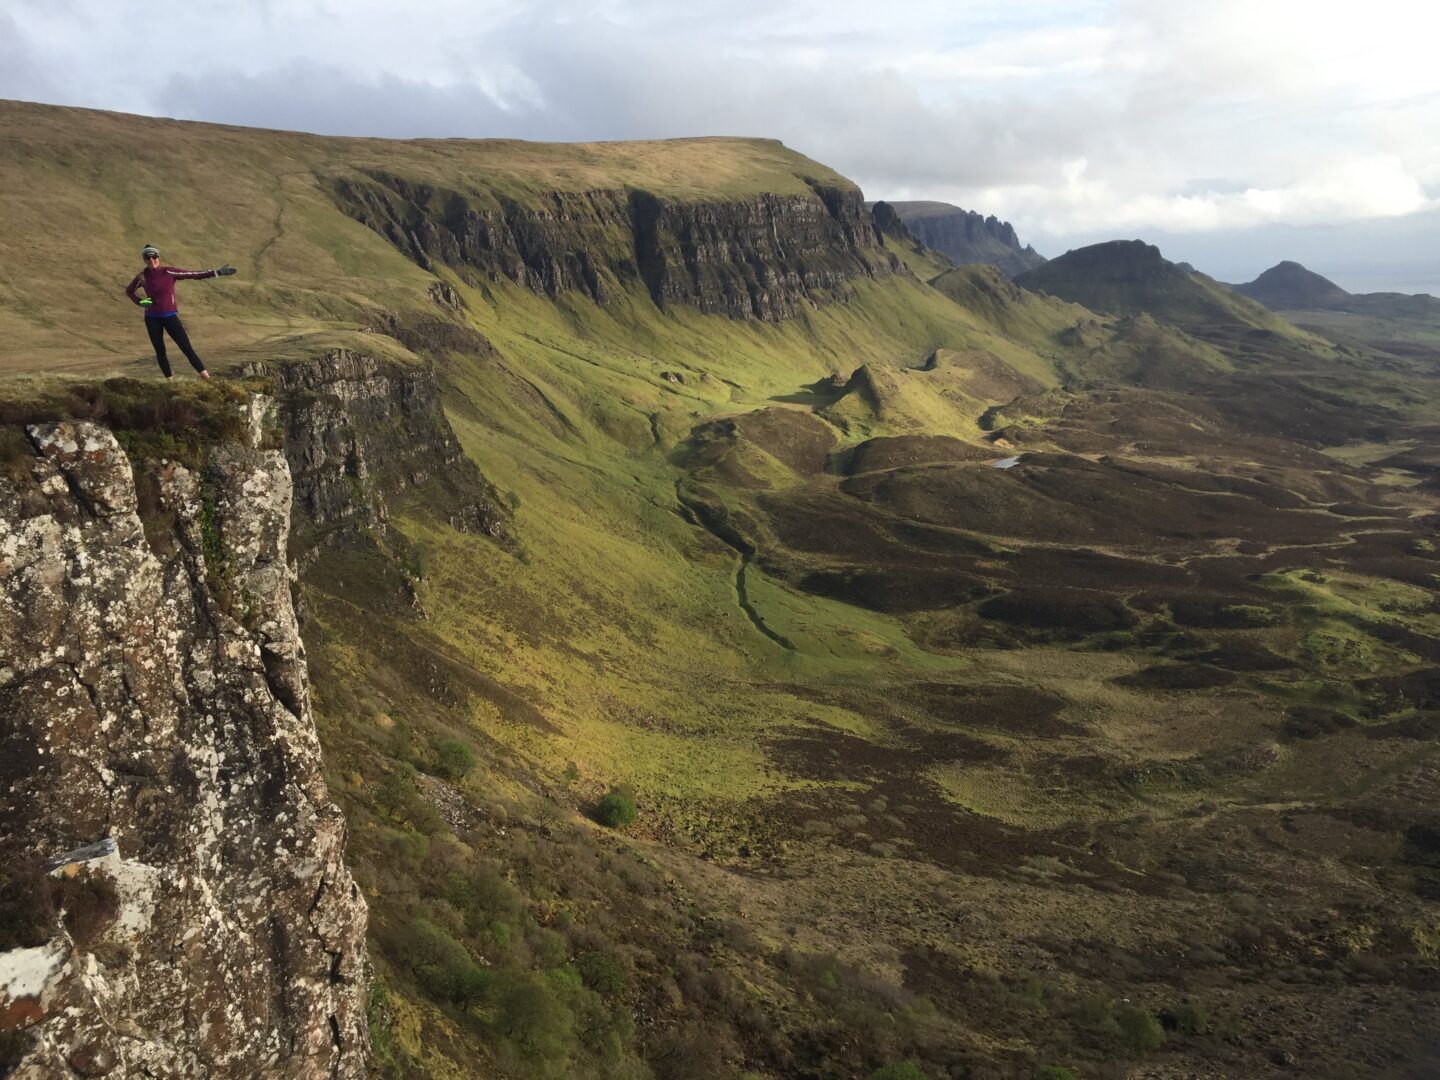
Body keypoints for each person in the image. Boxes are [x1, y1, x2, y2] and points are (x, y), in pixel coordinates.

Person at [125, 244, 236, 379]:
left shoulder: (169, 272)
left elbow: (193, 274)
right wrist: (140, 302)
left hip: (170, 316)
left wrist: (216, 272)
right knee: (160, 351)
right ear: (144, 260)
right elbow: (129, 291)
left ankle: (206, 377)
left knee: (186, 347)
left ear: (158, 258)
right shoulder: (142, 277)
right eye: (148, 258)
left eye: (154, 257)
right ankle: (170, 381)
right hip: (151, 318)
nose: (152, 260)